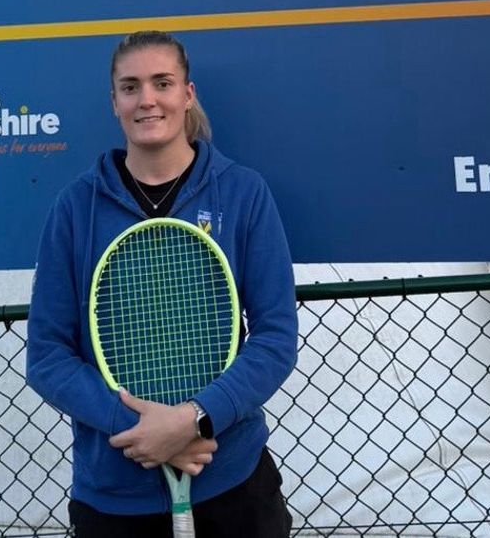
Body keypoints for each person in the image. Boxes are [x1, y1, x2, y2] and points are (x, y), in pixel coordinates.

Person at [27, 30, 298, 538]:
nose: (146, 99)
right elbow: (47, 355)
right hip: (114, 495)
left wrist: (196, 419)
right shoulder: (74, 208)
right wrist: (141, 429)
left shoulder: (243, 193)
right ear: (114, 102)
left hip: (232, 480)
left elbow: (276, 337)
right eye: (130, 87)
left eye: (162, 83)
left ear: (187, 94)